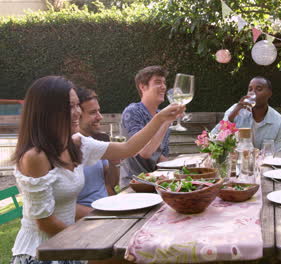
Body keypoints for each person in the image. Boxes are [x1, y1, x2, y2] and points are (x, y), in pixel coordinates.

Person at [11, 76, 184, 263]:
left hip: (70, 243)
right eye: (70, 106)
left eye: (77, 105)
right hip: (42, 252)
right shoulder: (35, 157)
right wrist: (94, 242)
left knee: (140, 255)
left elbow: (128, 149)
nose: (77, 112)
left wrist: (160, 118)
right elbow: (45, 222)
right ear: (48, 112)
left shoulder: (77, 143)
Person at [120, 66, 172, 187]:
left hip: (156, 183)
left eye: (164, 82)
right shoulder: (133, 112)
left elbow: (161, 158)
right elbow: (144, 152)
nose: (163, 87)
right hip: (133, 184)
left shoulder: (162, 115)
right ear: (143, 87)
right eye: (158, 82)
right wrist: (165, 122)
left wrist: (182, 169)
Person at [74, 88, 120, 220]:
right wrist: (105, 216)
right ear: (77, 115)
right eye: (93, 112)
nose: (100, 117)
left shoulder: (94, 141)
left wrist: (114, 162)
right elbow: (63, 208)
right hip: (88, 219)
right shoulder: (67, 148)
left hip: (106, 208)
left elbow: (111, 183)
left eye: (98, 111)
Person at [212, 76, 281, 152]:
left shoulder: (279, 122)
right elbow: (213, 139)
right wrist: (231, 117)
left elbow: (278, 156)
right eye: (250, 89)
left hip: (266, 163)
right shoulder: (235, 110)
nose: (252, 93)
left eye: (259, 89)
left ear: (269, 93)